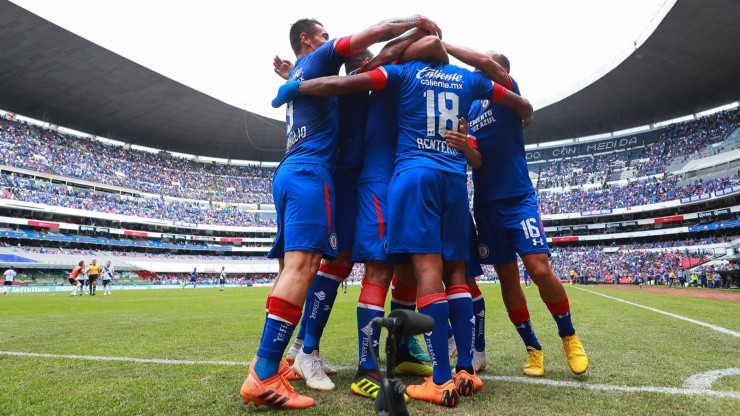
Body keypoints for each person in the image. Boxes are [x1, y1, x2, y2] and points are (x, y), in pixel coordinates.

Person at [272, 37, 533, 407]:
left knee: (406, 270)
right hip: (377, 182)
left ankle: (401, 350)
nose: (373, 58)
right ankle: (353, 364)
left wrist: (293, 83)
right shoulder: (387, 78)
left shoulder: (401, 80)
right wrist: (416, 32)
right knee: (372, 268)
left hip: (402, 180)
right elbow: (372, 65)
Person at [241, 15, 443, 410]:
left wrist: (291, 78)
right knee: (320, 267)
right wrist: (413, 25)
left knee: (316, 265)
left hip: (318, 175)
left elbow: (316, 85)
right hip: (336, 178)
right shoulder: (350, 77)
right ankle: (291, 357)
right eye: (323, 35)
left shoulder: (339, 82)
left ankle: (292, 355)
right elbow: (379, 48)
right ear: (306, 39)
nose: (335, 42)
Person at [465, 52, 588, 377]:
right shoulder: (472, 106)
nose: (478, 68)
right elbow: (475, 158)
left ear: (501, 71)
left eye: (485, 65)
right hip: (487, 204)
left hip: (518, 199)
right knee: (507, 278)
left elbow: (495, 74)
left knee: (539, 268)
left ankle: (569, 337)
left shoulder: (508, 93)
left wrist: (443, 44)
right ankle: (533, 349)